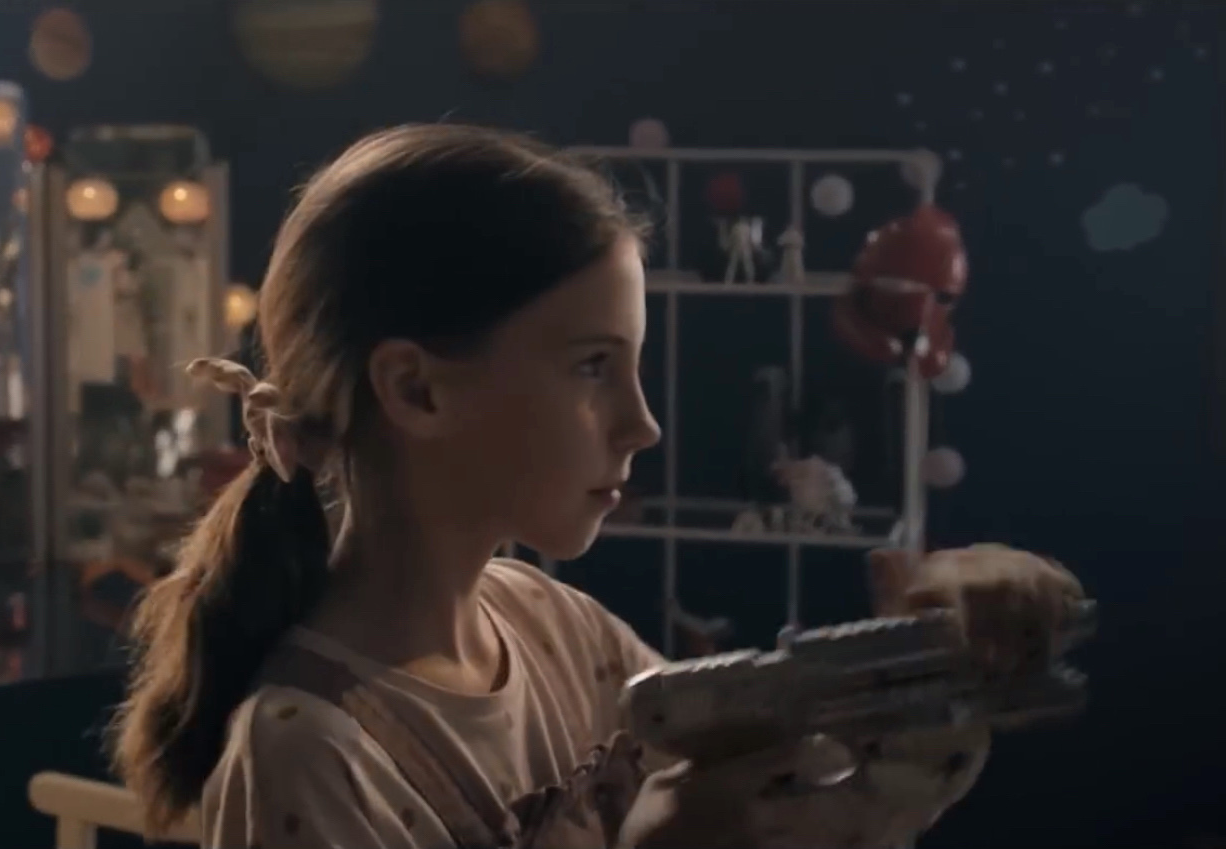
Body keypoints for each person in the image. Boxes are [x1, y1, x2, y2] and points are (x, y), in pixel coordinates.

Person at [108, 124, 1084, 848]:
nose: (642, 423)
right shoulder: (310, 755)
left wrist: (937, 665)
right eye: (590, 367)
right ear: (415, 389)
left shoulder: (554, 628)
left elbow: (812, 805)